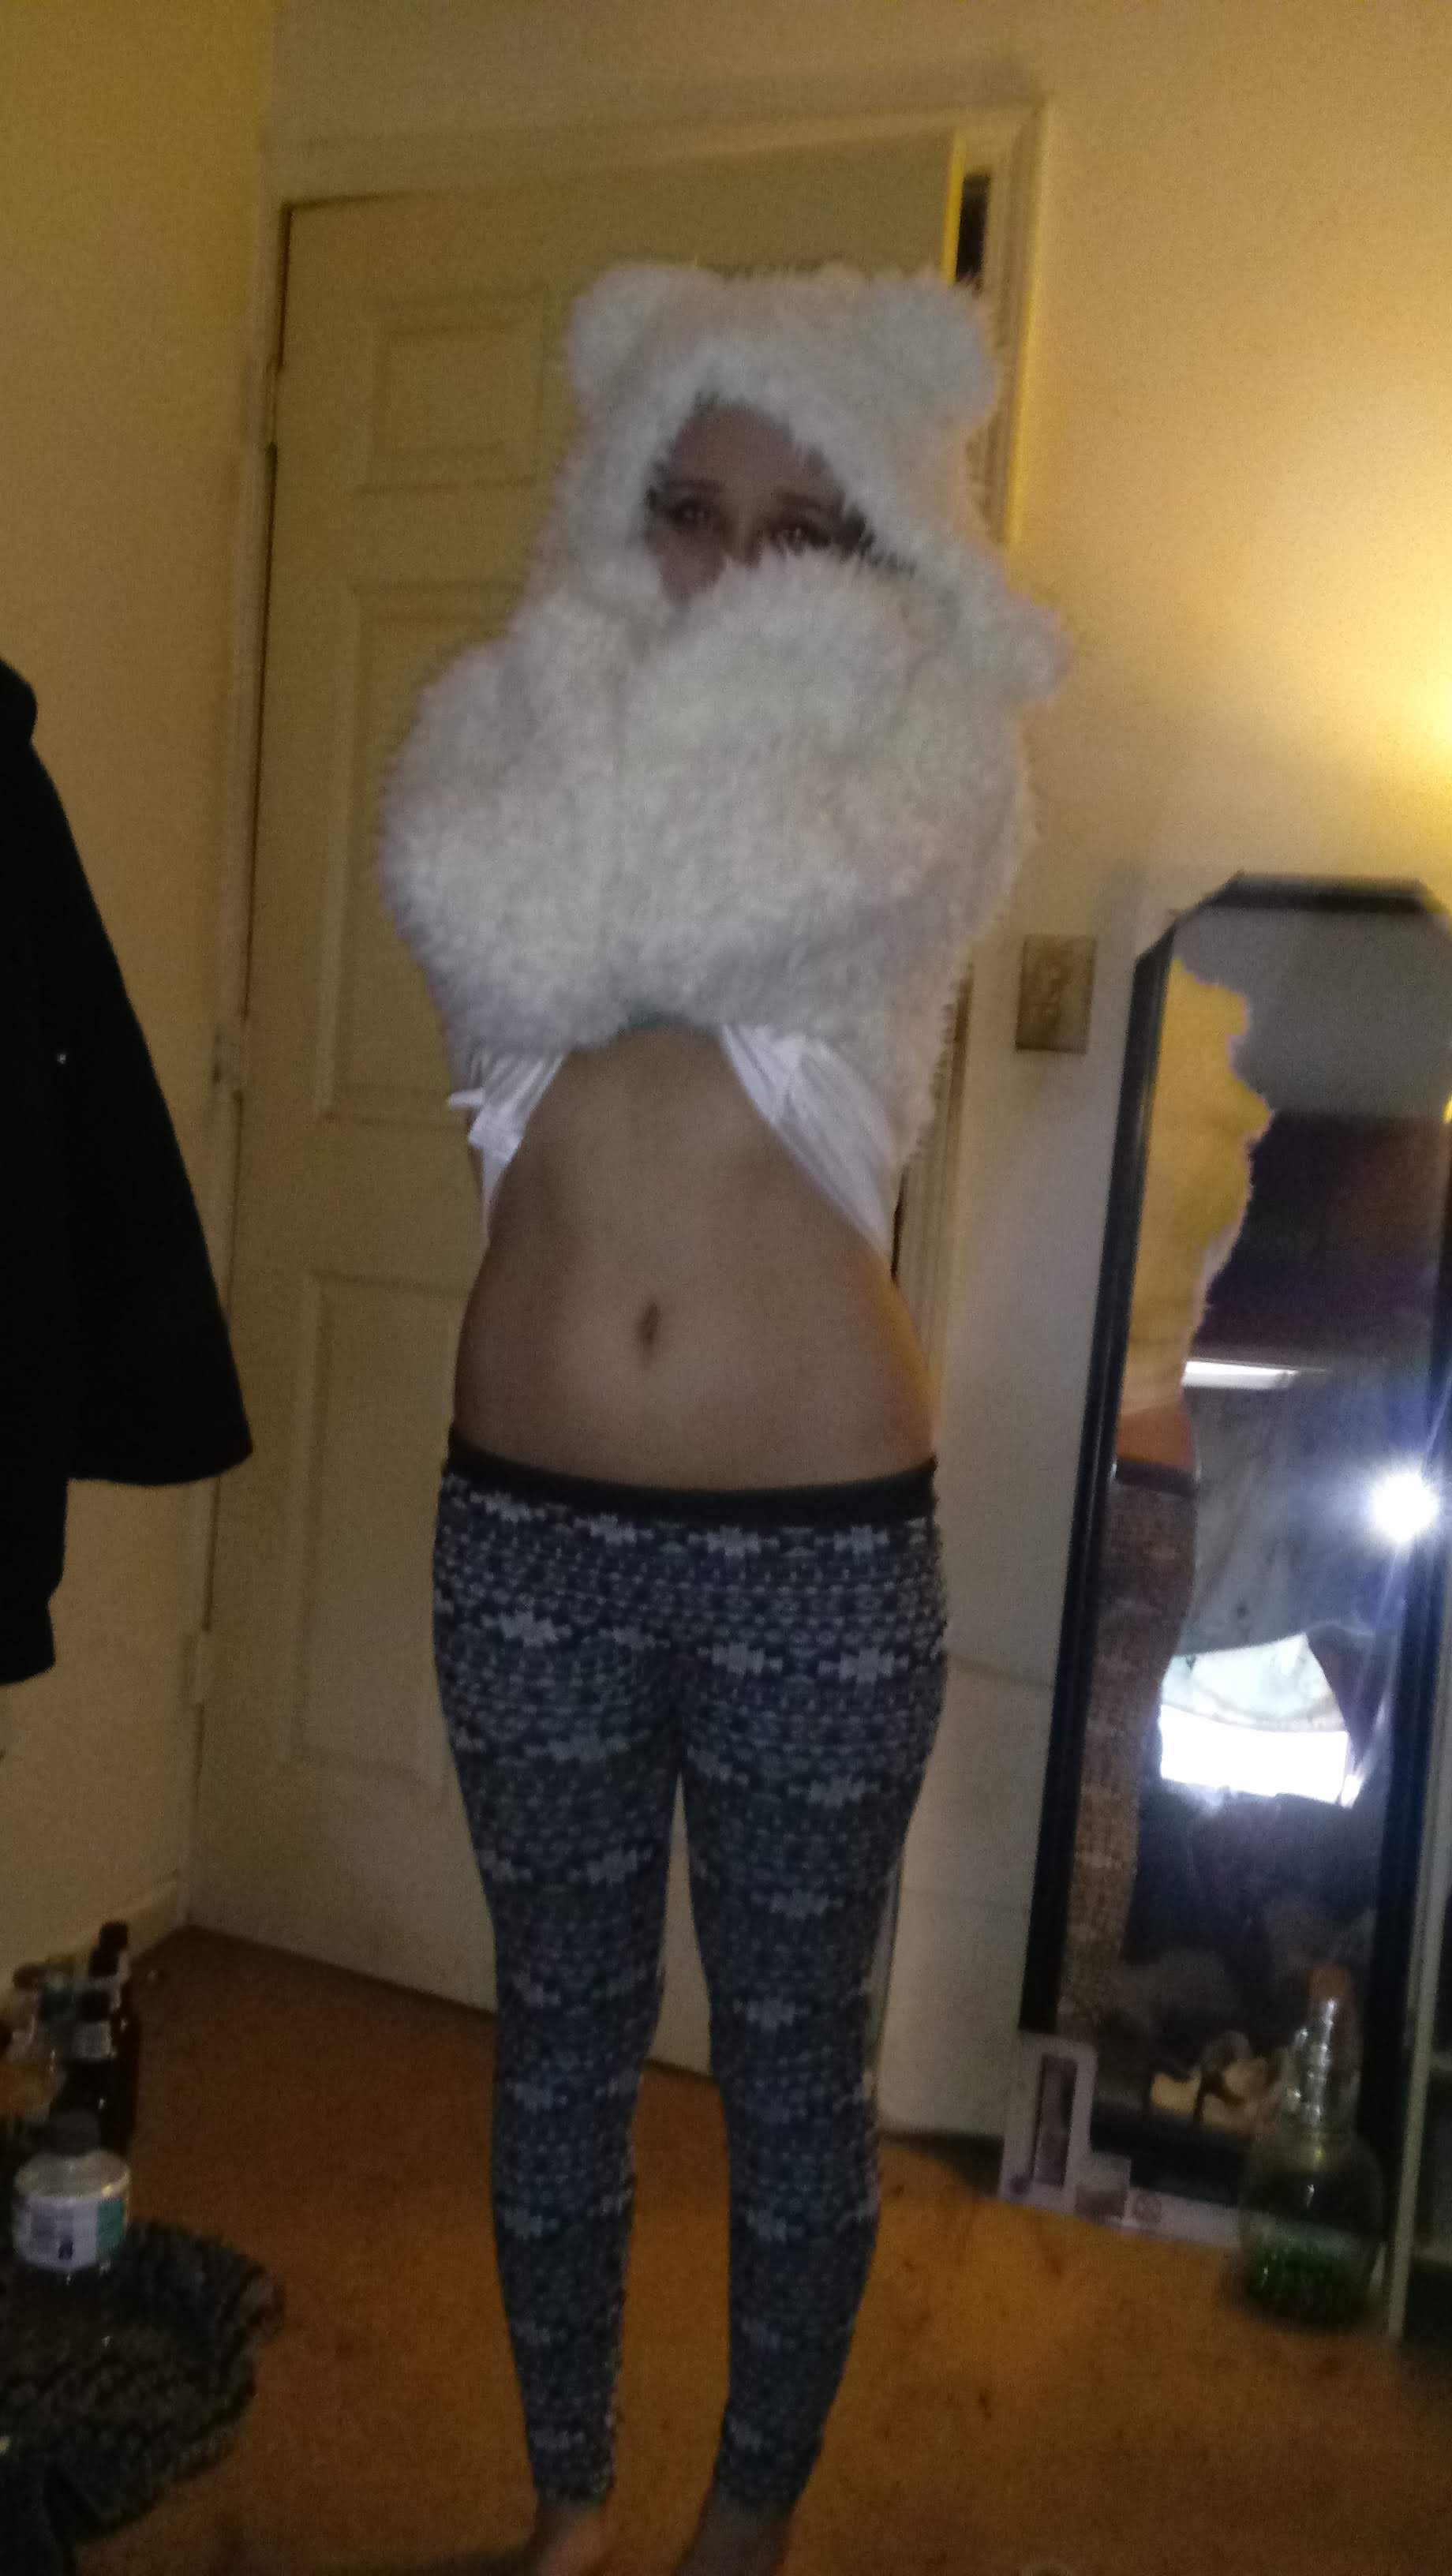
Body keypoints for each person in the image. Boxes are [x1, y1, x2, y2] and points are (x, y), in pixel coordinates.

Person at [379, 262, 1062, 2576]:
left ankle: (743, 2530)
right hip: (525, 1537)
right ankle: (570, 2507)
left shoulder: (931, 769)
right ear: (610, 504)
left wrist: (658, 687)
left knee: (789, 2073)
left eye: (805, 527)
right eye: (685, 510)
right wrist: (594, 682)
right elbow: (489, 907)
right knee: (558, 2046)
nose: (732, 573)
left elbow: (724, 899)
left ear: (894, 551)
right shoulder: (493, 758)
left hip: (816, 1554)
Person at [1055, 960, 1270, 2043]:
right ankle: (1063, 2033)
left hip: (1078, 1473)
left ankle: (1043, 2043)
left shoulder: (1099, 1046)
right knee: (1098, 1786)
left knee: (1041, 1768)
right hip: (1148, 1482)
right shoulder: (1232, 1115)